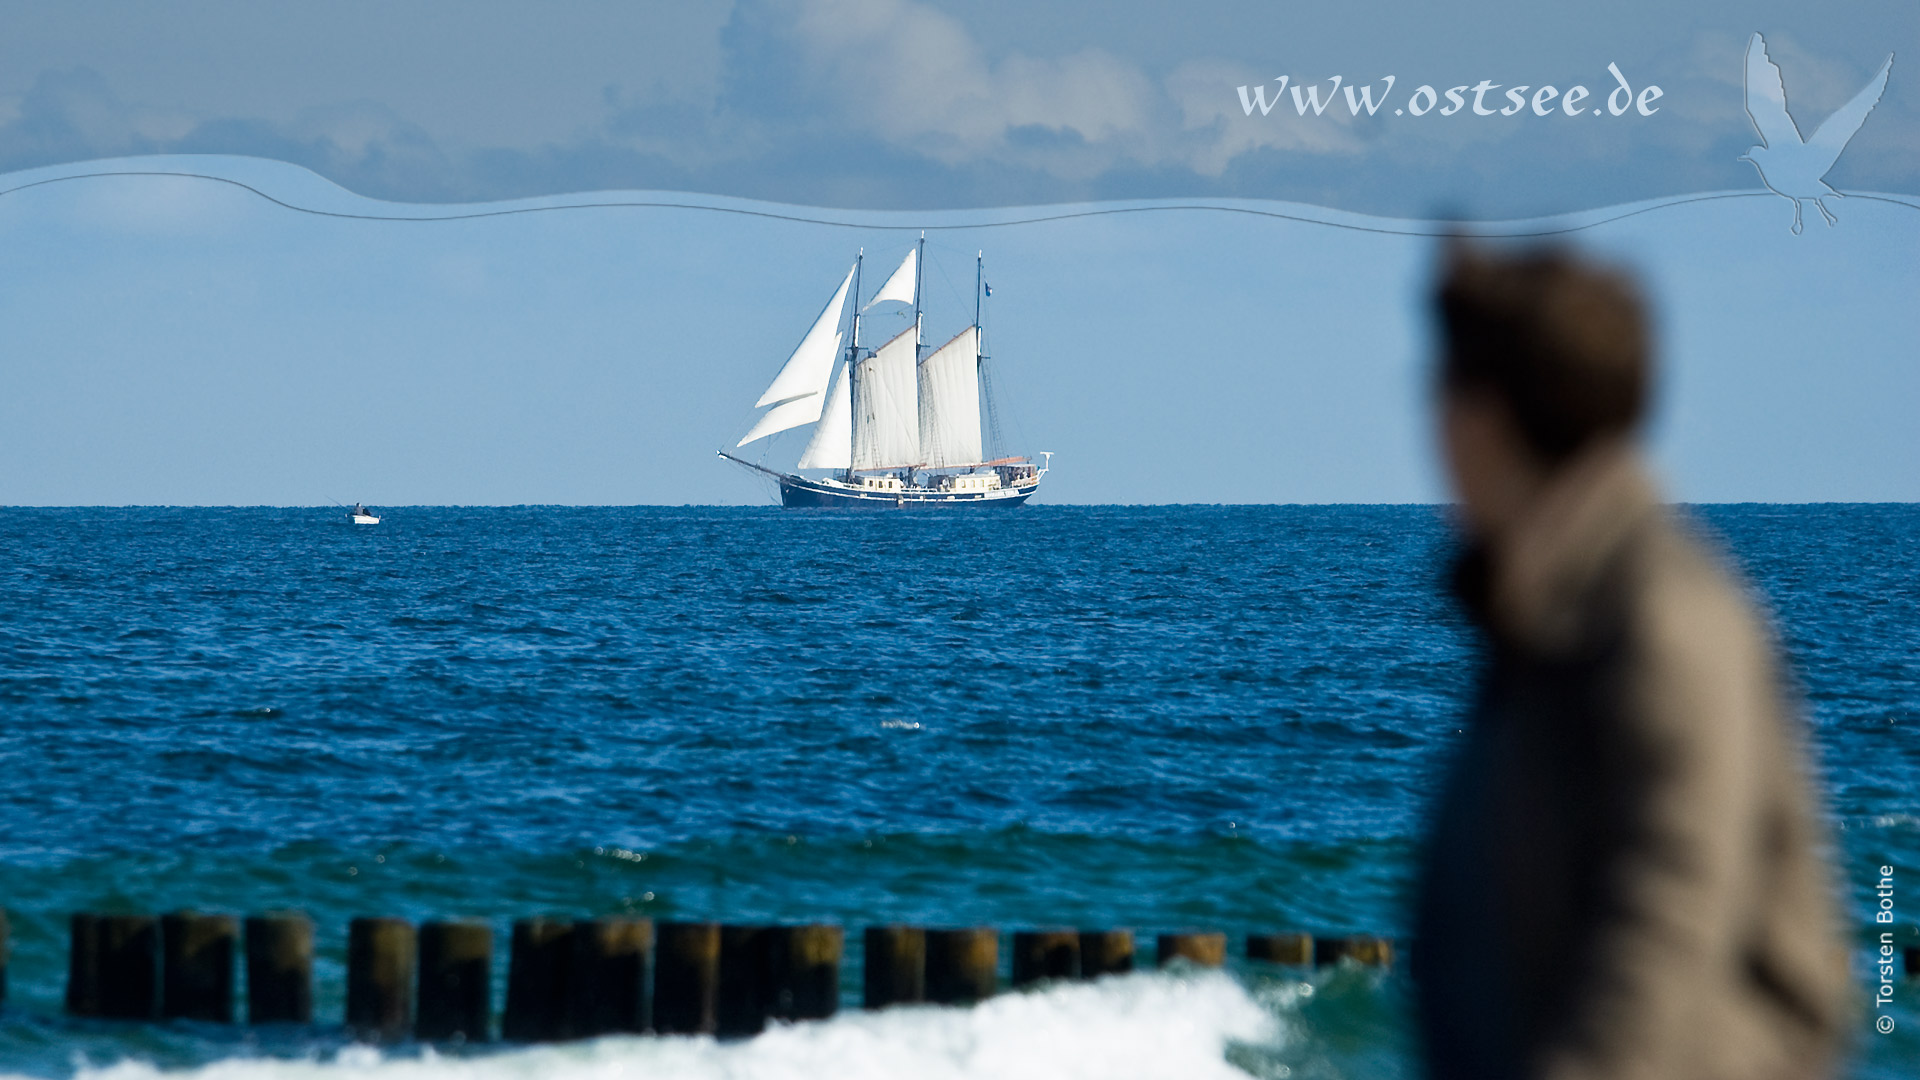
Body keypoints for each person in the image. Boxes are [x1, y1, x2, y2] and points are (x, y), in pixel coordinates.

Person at [1413, 244, 1853, 1080]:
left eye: (1440, 392)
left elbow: (1672, 914)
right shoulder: (1547, 616)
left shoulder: (1658, 617)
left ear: (1491, 415)